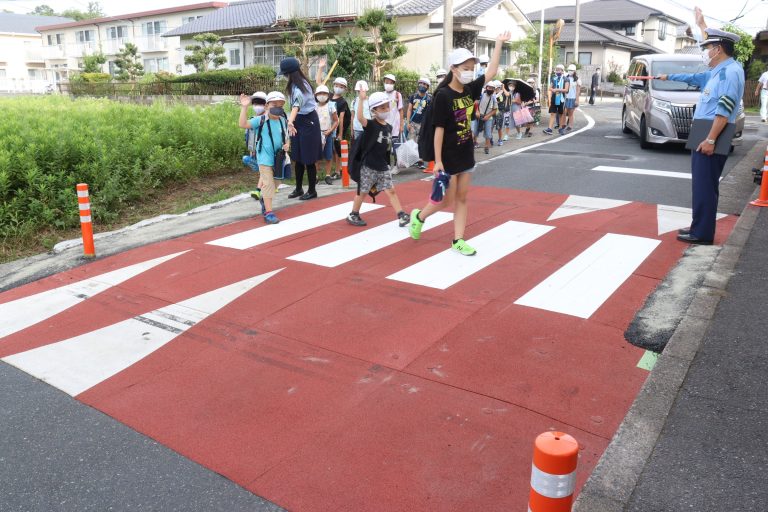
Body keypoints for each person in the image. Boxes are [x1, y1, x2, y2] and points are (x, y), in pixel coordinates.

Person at [409, 31, 512, 256]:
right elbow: (439, 129)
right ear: (453, 69)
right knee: (445, 201)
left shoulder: (468, 90)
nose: (470, 71)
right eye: (465, 67)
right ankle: (418, 217)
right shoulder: (443, 96)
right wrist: (437, 161)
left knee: (463, 198)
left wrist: (498, 43)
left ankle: (458, 240)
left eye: (471, 67)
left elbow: (492, 71)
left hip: (466, 152)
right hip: (447, 156)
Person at [656, 25, 745, 245]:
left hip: (712, 132)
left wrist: (711, 139)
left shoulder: (729, 72)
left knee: (706, 185)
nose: (706, 53)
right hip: (704, 130)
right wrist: (668, 76)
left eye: (708, 48)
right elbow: (695, 78)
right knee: (701, 184)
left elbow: (724, 109)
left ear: (719, 49)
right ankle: (699, 226)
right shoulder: (717, 71)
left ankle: (703, 233)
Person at [347, 90, 410, 228]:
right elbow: (359, 117)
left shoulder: (388, 127)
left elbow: (386, 148)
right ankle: (354, 213)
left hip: (382, 165)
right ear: (374, 111)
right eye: (382, 108)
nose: (386, 109)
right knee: (362, 191)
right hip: (368, 166)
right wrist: (361, 100)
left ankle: (401, 215)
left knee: (391, 190)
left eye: (387, 106)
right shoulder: (370, 125)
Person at [238, 91, 290, 224]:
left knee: (276, 183)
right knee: (267, 184)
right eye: (274, 104)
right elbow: (243, 124)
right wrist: (244, 107)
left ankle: (263, 198)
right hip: (264, 158)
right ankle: (269, 213)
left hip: (279, 159)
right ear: (267, 106)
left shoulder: (283, 121)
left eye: (280, 104)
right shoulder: (260, 120)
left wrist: (287, 145)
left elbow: (286, 137)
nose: (277, 107)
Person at [282, 57, 322, 200]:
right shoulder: (293, 85)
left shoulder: (302, 87)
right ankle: (298, 188)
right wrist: (292, 121)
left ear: (291, 73)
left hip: (308, 122)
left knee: (309, 158)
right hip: (297, 121)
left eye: (285, 74)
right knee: (297, 156)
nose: (285, 77)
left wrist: (290, 121)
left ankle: (312, 190)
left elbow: (296, 106)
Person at [314, 84, 339, 183]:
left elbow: (336, 121)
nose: (322, 95)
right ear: (316, 95)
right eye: (319, 93)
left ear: (328, 95)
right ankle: (315, 176)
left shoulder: (331, 106)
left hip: (328, 134)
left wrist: (330, 130)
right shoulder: (313, 107)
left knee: (328, 155)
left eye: (324, 93)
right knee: (316, 156)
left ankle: (328, 175)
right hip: (316, 135)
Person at [406, 77, 432, 169]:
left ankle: (420, 161)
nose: (422, 85)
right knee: (412, 141)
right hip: (413, 122)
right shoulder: (413, 96)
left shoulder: (429, 99)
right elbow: (409, 109)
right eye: (421, 83)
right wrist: (408, 122)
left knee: (421, 142)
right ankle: (413, 160)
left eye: (425, 84)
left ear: (427, 87)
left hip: (423, 124)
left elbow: (430, 113)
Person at [382, 73, 405, 173]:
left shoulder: (397, 94)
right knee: (385, 147)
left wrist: (401, 125)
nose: (388, 84)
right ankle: (387, 165)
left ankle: (396, 165)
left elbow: (401, 110)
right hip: (384, 125)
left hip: (395, 126)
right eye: (386, 82)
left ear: (393, 83)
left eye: (390, 82)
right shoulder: (382, 95)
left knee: (396, 147)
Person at [331, 77, 351, 178]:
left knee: (337, 149)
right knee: (331, 150)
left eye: (341, 86)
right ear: (333, 85)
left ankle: (338, 171)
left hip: (337, 128)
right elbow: (319, 83)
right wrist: (321, 68)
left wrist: (340, 134)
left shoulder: (343, 102)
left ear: (345, 89)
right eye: (337, 85)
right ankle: (335, 170)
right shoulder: (328, 96)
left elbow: (341, 118)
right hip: (327, 127)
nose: (338, 88)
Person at [544, 64, 569, 135]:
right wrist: (553, 90)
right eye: (557, 69)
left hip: (561, 99)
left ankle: (560, 128)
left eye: (559, 70)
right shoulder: (554, 78)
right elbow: (550, 88)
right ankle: (549, 129)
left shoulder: (566, 79)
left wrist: (558, 89)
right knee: (552, 113)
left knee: (561, 114)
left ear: (562, 71)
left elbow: (566, 90)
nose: (558, 71)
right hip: (554, 98)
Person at [474, 81, 498, 154]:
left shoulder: (494, 98)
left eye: (492, 88)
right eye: (489, 87)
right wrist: (477, 111)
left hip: (488, 118)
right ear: (486, 87)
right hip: (478, 116)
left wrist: (488, 116)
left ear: (494, 89)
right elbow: (475, 103)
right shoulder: (481, 95)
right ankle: (473, 144)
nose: (490, 89)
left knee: (488, 133)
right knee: (474, 132)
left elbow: (495, 109)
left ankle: (486, 147)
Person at [561, 64, 580, 134]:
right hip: (565, 97)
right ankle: (563, 124)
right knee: (563, 112)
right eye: (569, 70)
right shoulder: (565, 77)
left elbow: (578, 91)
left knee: (570, 113)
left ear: (574, 71)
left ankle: (570, 126)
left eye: (571, 70)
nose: (570, 71)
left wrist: (577, 100)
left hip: (572, 98)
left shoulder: (577, 80)